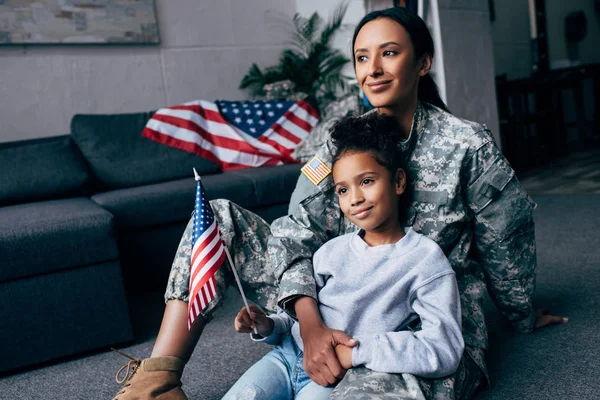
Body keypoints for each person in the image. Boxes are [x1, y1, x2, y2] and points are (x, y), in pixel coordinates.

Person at [112, 7, 567, 400]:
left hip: (416, 321)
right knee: (219, 216)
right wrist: (310, 326)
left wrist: (520, 314)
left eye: (390, 52)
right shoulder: (340, 143)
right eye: (362, 58)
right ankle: (158, 381)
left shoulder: (468, 145)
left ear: (423, 62)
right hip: (337, 297)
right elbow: (296, 231)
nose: (373, 68)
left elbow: (505, 239)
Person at [222, 113, 464, 399]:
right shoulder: (330, 252)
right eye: (343, 190)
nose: (355, 198)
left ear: (398, 181)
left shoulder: (424, 260)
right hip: (283, 359)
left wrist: (357, 353)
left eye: (367, 181)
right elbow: (301, 323)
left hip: (333, 376)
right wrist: (267, 325)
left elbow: (444, 348)